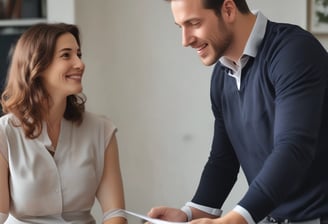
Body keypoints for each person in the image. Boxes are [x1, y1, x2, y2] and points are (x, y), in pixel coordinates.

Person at [148, 0, 328, 224]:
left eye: (194, 23)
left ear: (228, 9)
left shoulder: (294, 52)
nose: (185, 40)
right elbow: (224, 158)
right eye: (180, 27)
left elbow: (293, 148)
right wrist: (189, 213)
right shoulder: (222, 75)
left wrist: (235, 220)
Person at [0, 23, 126, 224]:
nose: (80, 64)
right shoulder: (4, 133)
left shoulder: (102, 130)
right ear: (37, 65)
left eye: (79, 54)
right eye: (66, 55)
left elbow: (114, 214)